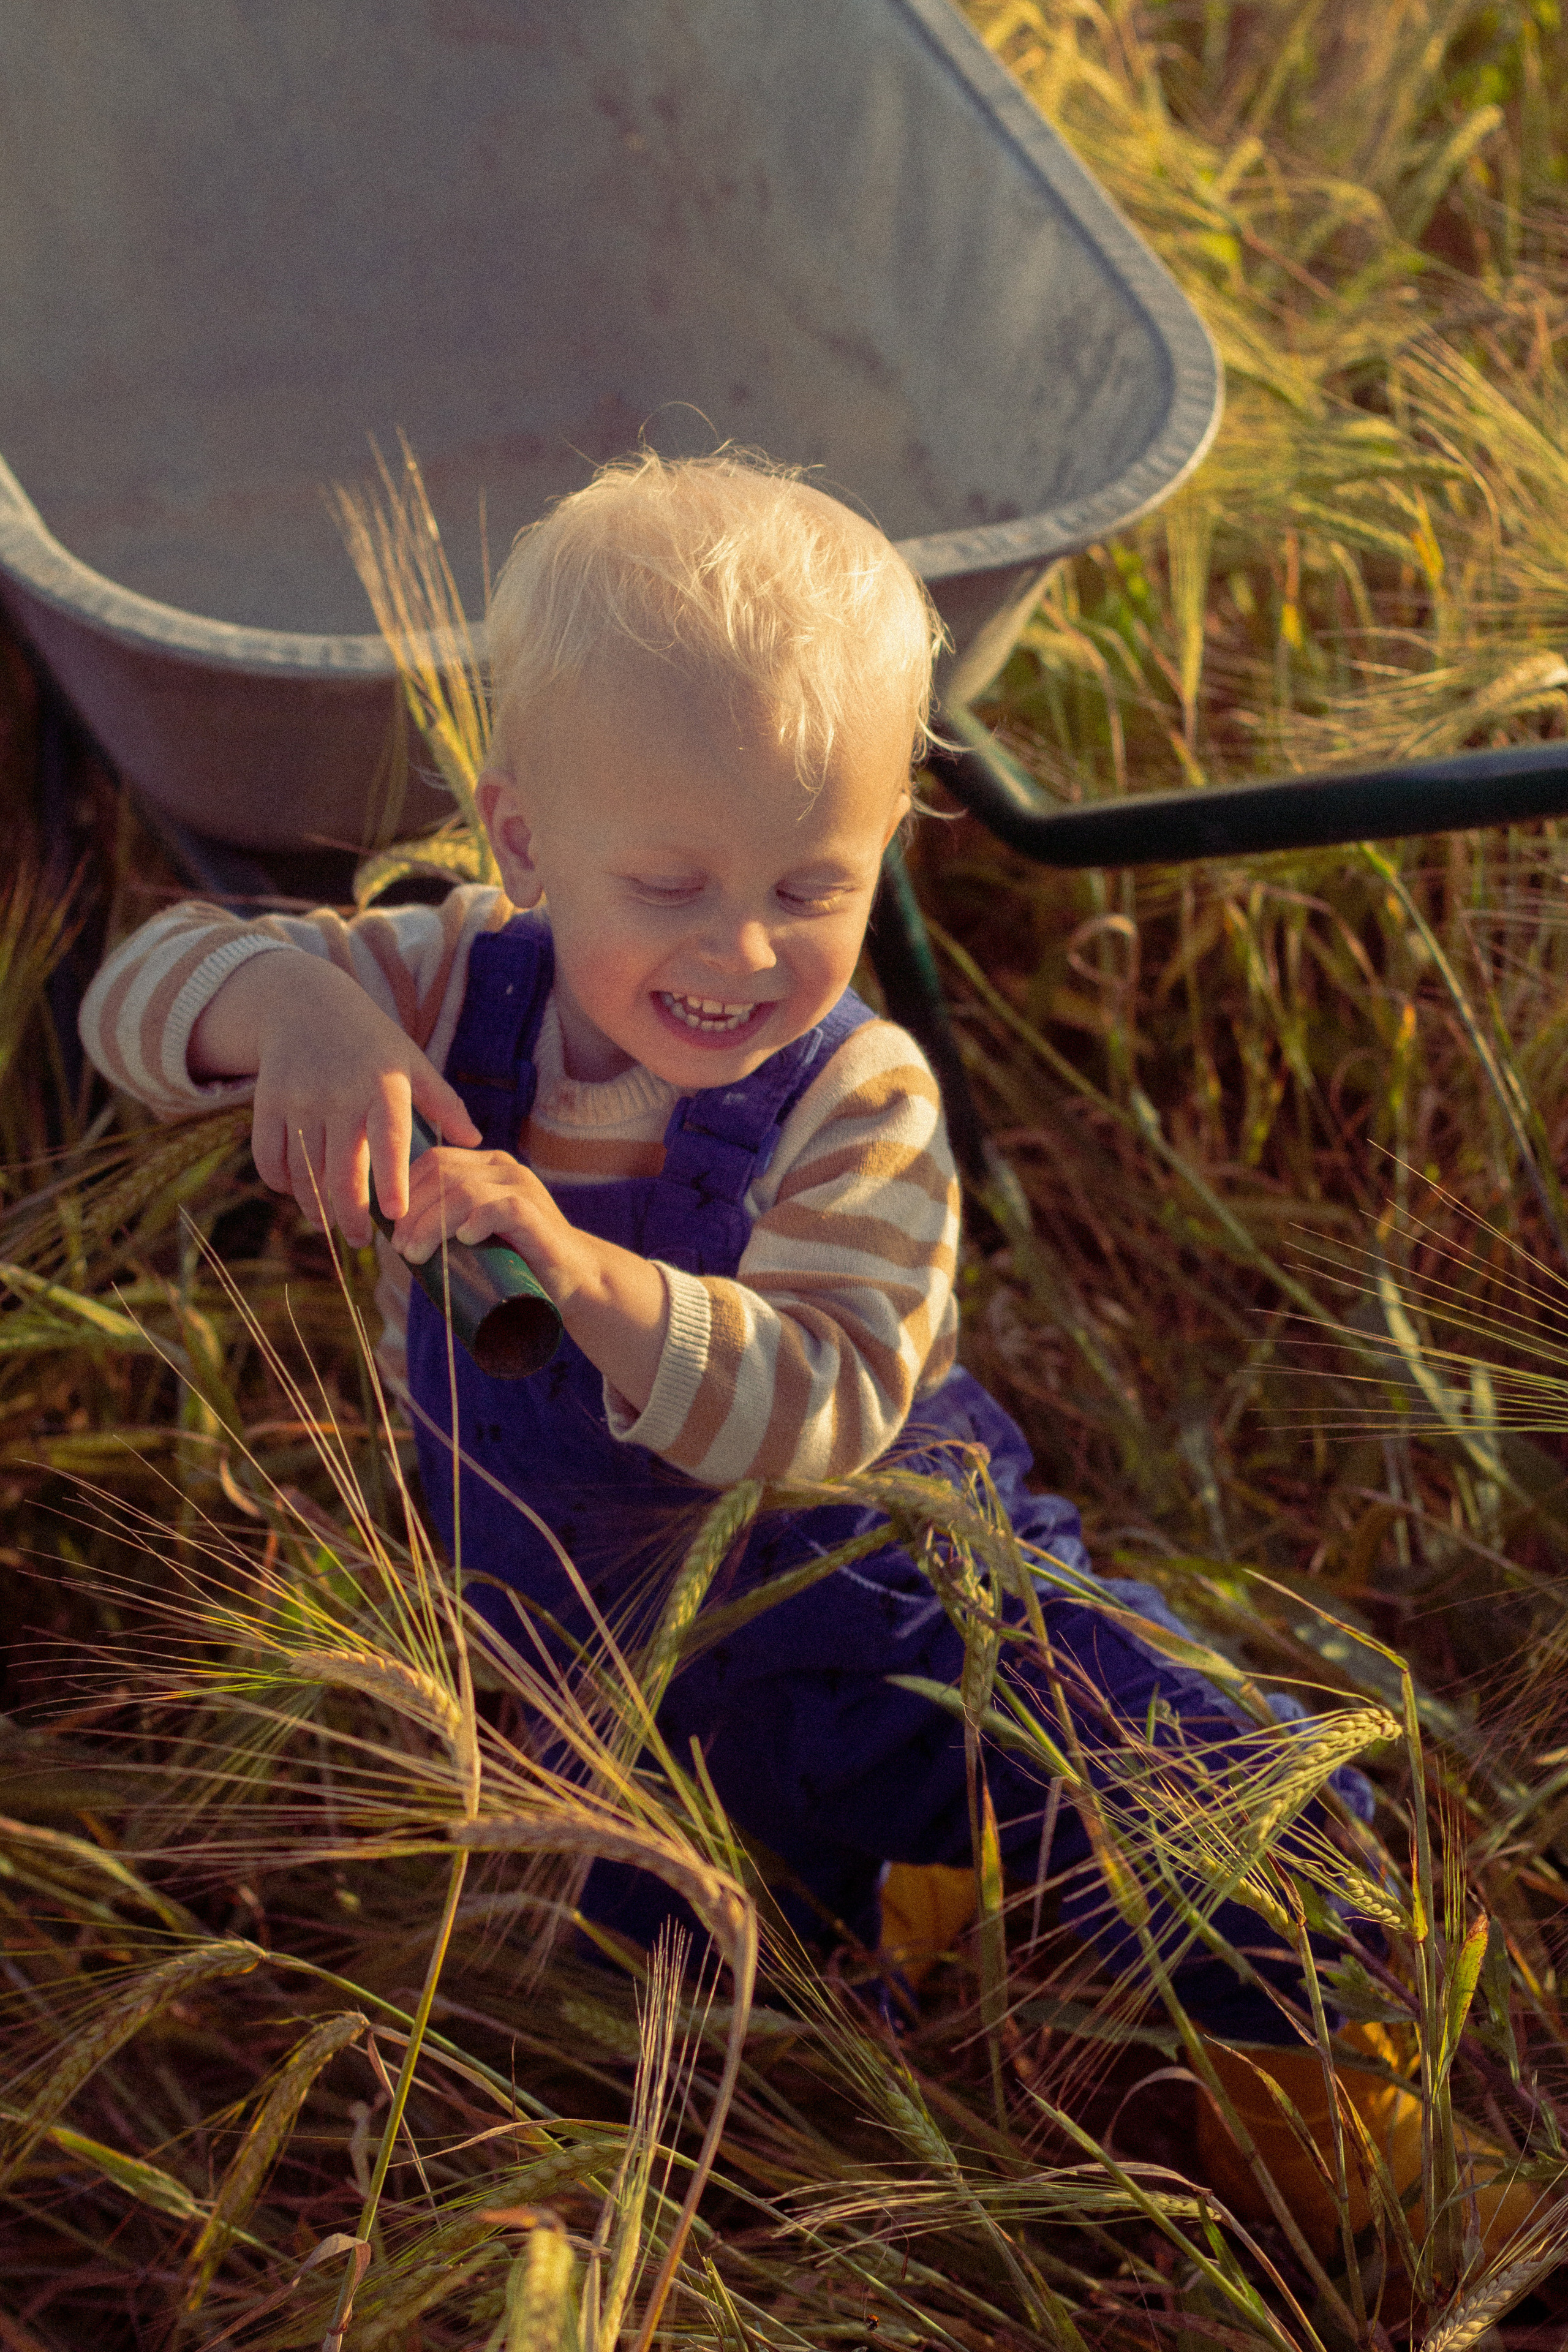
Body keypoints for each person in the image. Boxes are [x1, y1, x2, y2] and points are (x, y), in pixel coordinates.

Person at [85, 446, 1451, 2118]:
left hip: (880, 1599)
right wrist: (294, 1012)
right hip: (583, 1656)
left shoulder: (853, 1098)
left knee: (1168, 1794)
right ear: (523, 838)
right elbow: (135, 994)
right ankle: (886, 1951)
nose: (742, 952)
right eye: (670, 887)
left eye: (815, 887)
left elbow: (826, 1401)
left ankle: (1333, 2102)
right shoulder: (448, 978)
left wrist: (585, 1273)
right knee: (658, 2015)